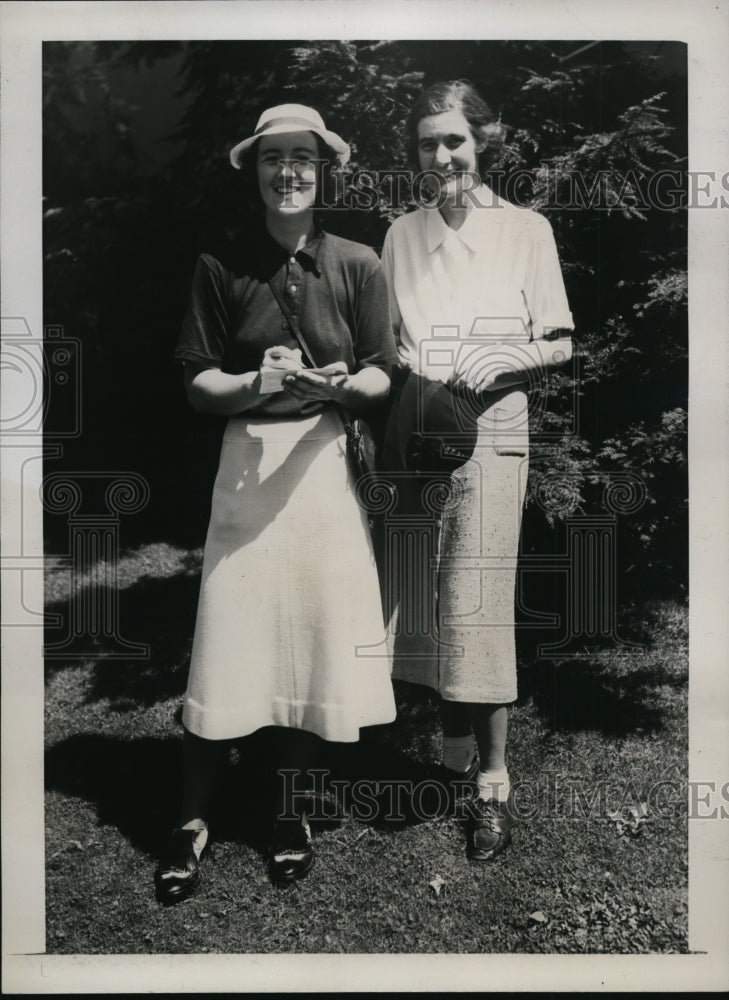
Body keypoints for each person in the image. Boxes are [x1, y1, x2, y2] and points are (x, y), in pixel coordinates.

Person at [156, 104, 397, 902]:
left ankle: (289, 814)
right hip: (247, 461)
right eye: (272, 158)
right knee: (227, 636)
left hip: (323, 464)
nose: (288, 171)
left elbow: (381, 371)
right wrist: (252, 382)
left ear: (323, 169)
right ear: (254, 169)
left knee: (307, 641)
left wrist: (346, 385)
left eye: (302, 157)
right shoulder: (219, 262)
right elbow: (196, 382)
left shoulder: (359, 261)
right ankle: (192, 818)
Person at [380, 80, 575, 861]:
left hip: (492, 430)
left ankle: (492, 784)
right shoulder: (399, 235)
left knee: (480, 601)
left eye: (455, 139)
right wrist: (411, 367)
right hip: (417, 429)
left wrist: (496, 359)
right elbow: (388, 340)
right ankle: (449, 756)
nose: (442, 155)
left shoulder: (525, 230)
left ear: (484, 140)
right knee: (426, 594)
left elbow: (558, 339)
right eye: (428, 143)